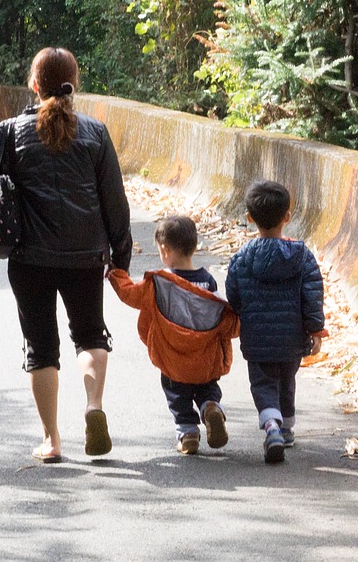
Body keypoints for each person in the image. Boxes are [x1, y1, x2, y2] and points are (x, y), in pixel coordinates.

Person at [0, 46, 132, 464]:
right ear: (76, 83)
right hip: (86, 255)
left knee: (40, 347)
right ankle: (93, 407)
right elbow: (115, 204)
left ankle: (52, 440)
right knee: (90, 335)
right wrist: (119, 261)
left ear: (34, 85)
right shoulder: (96, 133)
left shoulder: (9, 132)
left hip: (29, 258)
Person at [107, 215, 238, 455]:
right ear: (195, 247)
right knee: (208, 387)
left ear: (164, 250)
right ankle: (210, 406)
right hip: (206, 359)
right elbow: (222, 318)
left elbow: (131, 295)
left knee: (176, 392)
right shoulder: (208, 282)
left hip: (172, 358)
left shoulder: (160, 283)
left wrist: (116, 274)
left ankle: (188, 433)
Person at [225, 180, 328, 464]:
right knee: (287, 379)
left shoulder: (241, 259)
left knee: (263, 384)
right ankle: (287, 427)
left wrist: (240, 317)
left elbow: (233, 295)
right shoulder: (302, 256)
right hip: (292, 338)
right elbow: (312, 294)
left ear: (249, 218)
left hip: (257, 339)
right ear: (287, 217)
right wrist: (316, 329)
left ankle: (271, 426)